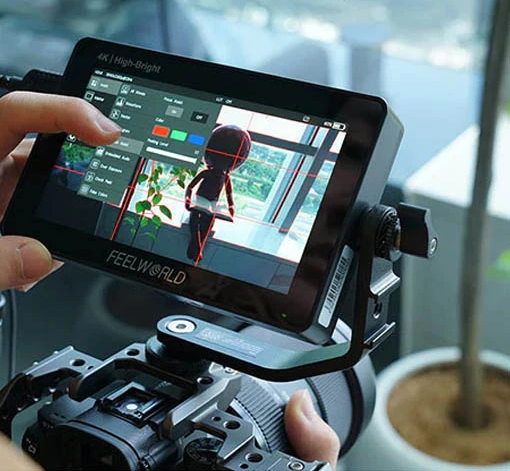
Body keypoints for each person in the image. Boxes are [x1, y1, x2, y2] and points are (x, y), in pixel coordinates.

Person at [0, 91, 340, 470]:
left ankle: (196, 251)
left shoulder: (217, 175)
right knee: (197, 238)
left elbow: (210, 193)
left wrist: (218, 209)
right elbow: (199, 190)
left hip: (201, 213)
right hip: (199, 213)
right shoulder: (215, 175)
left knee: (199, 238)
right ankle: (195, 251)